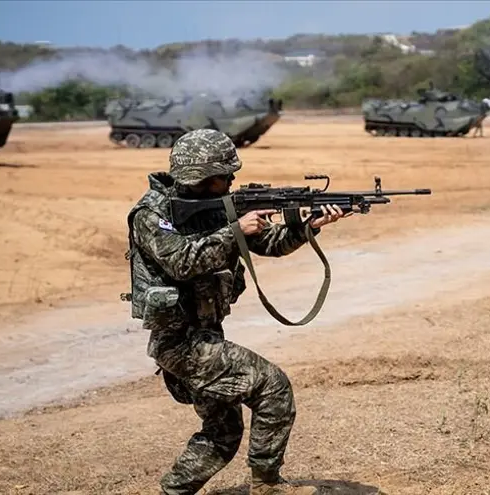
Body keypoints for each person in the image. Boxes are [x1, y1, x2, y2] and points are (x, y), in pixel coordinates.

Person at [125, 128, 349, 495]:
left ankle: (173, 491)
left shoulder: (222, 206)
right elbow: (182, 262)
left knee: (222, 434)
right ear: (199, 176)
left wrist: (308, 227)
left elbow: (271, 244)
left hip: (206, 337)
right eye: (224, 175)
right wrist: (235, 231)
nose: (231, 180)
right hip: (179, 342)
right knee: (273, 387)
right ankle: (266, 485)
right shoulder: (151, 214)